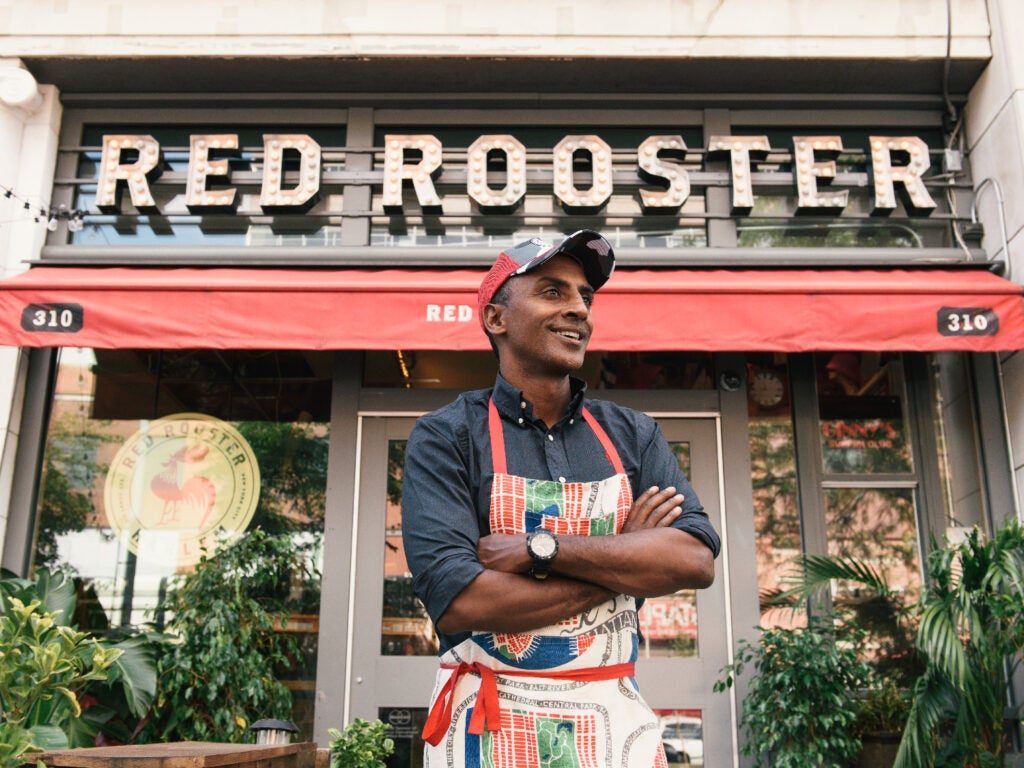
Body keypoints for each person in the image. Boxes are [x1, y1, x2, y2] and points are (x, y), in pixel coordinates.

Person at [401, 229, 721, 766]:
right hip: (489, 729)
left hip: (613, 728)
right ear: (496, 318)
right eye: (553, 292)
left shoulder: (632, 435)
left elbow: (693, 559)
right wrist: (627, 557)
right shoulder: (447, 436)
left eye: (585, 297)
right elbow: (463, 602)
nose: (579, 310)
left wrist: (539, 550)